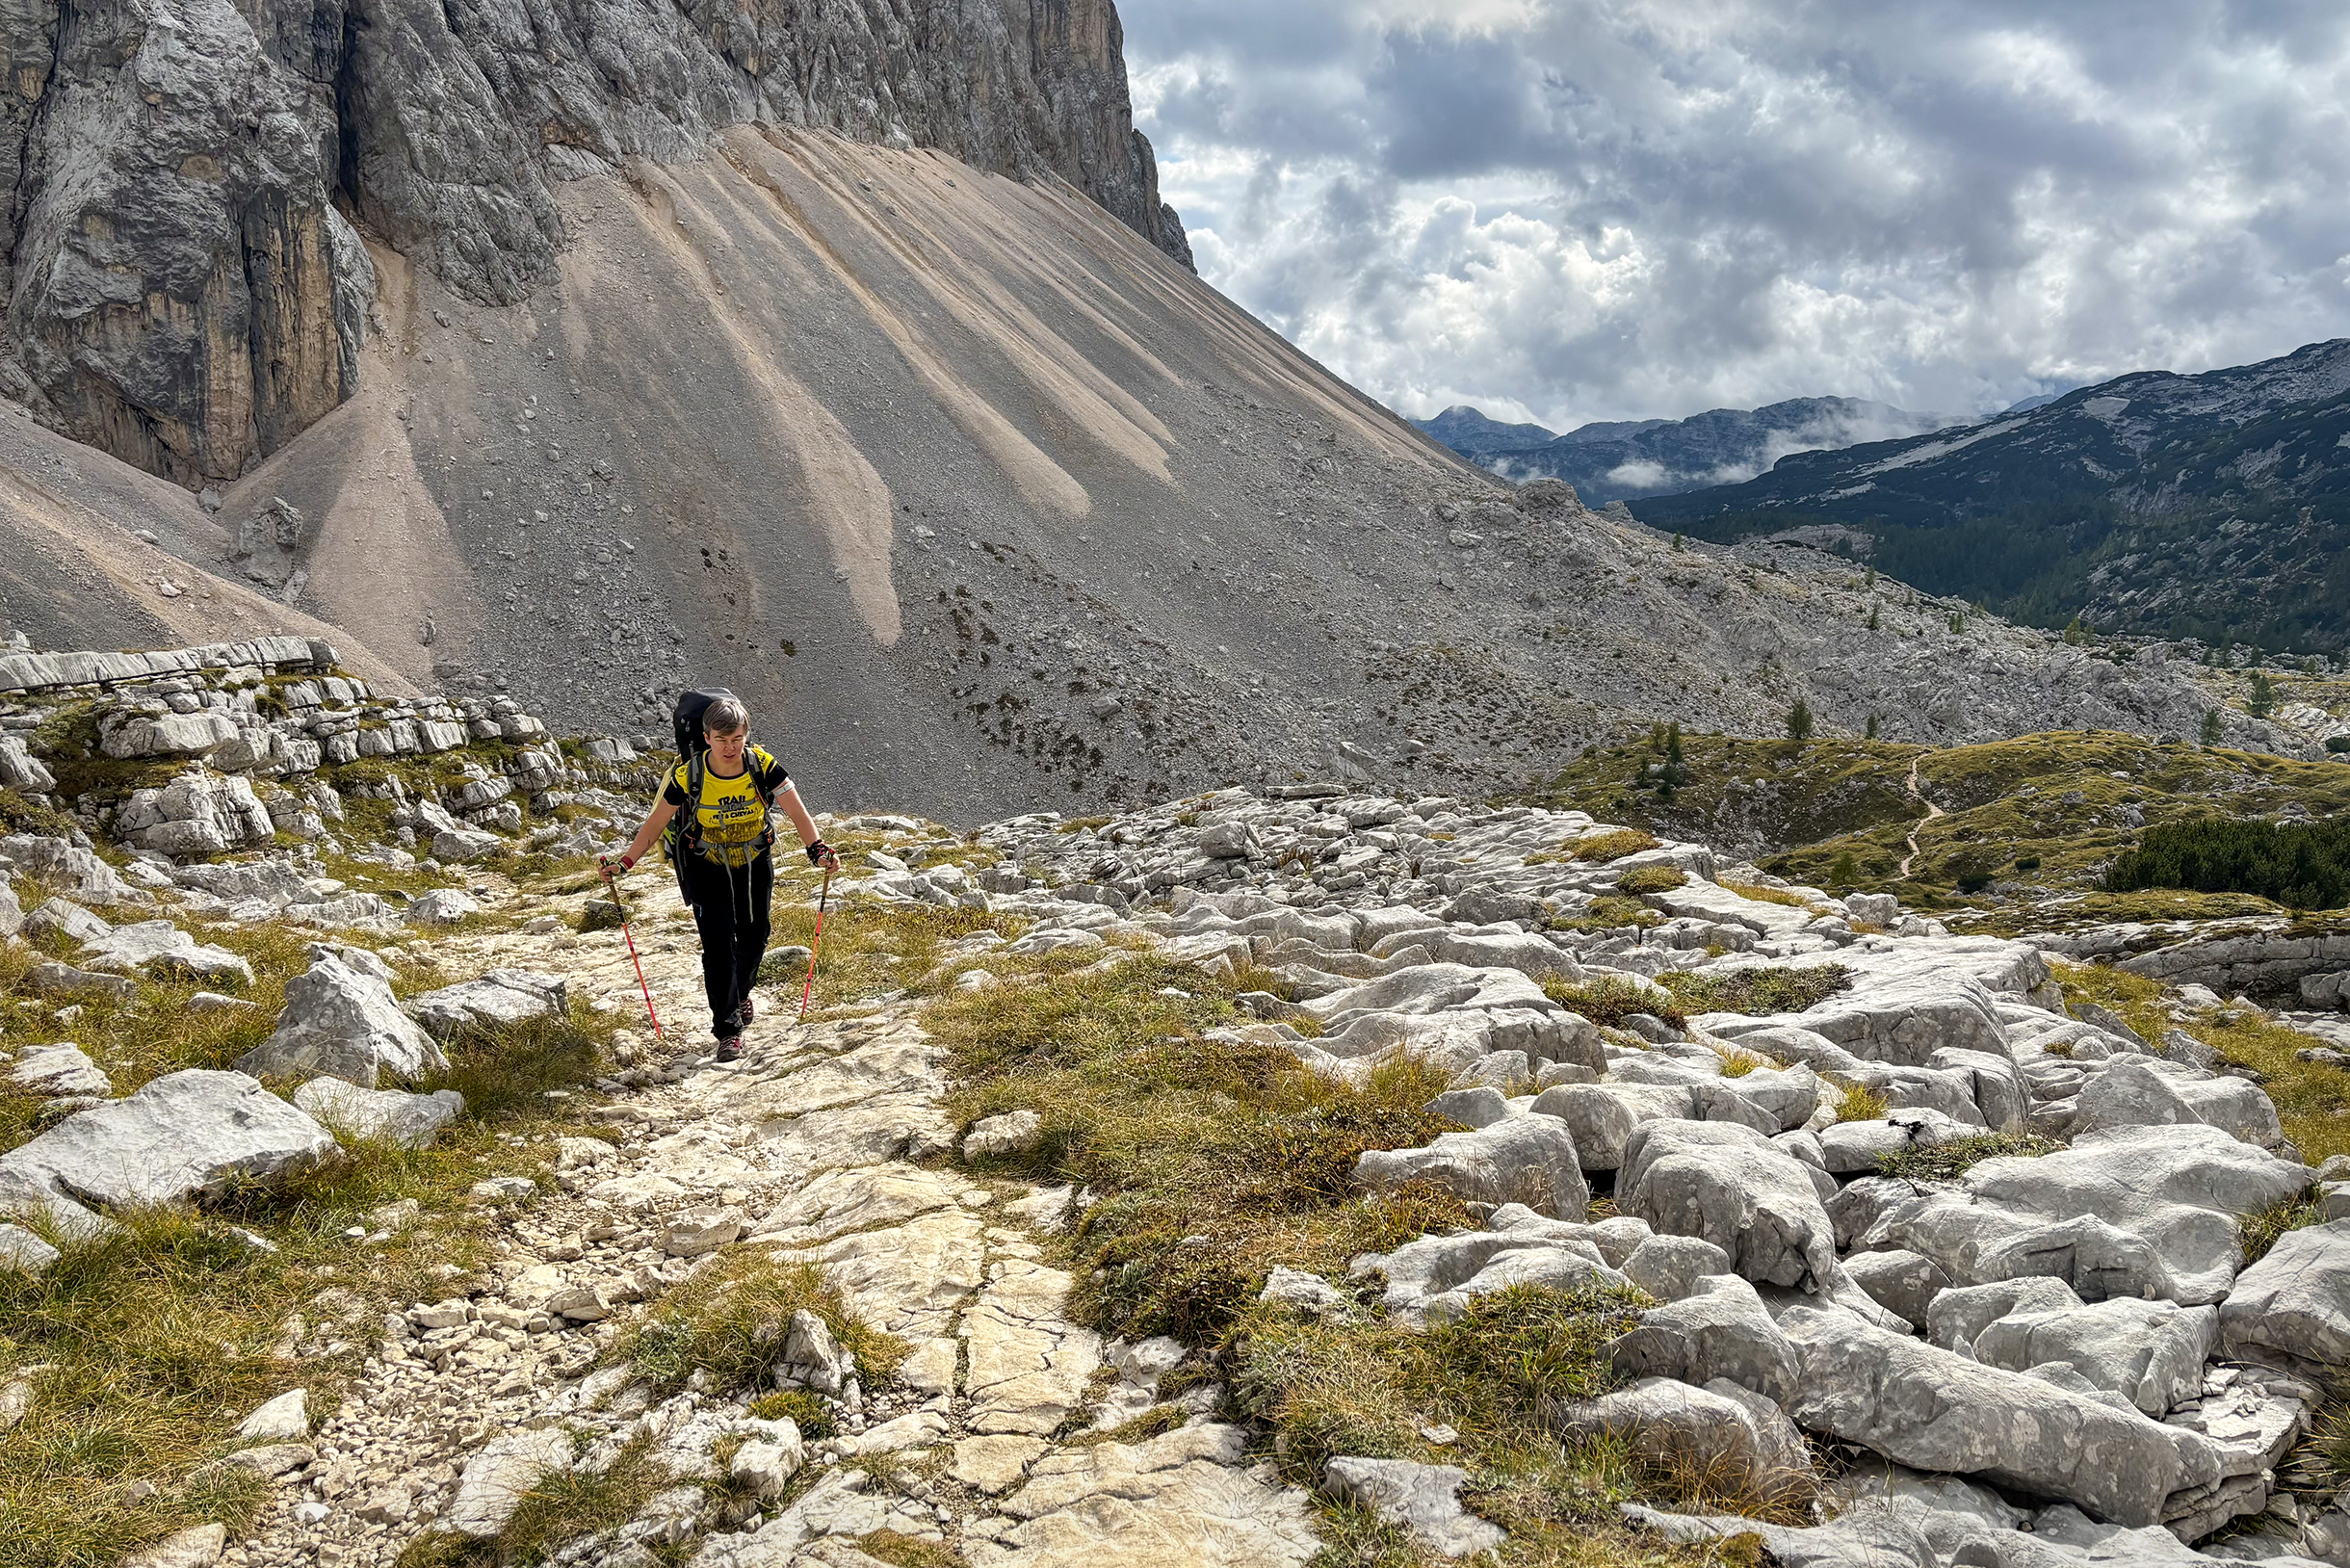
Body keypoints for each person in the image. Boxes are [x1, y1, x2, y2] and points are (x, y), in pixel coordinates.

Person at [604, 696, 841, 1060]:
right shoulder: (690, 774)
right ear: (707, 737)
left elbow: (797, 811)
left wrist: (817, 850)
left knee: (755, 937)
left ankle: (740, 993)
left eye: (737, 739)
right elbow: (656, 823)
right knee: (718, 949)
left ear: (746, 735)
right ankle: (728, 1031)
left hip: (753, 863)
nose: (730, 747)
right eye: (721, 740)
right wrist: (625, 862)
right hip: (705, 866)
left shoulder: (762, 765)